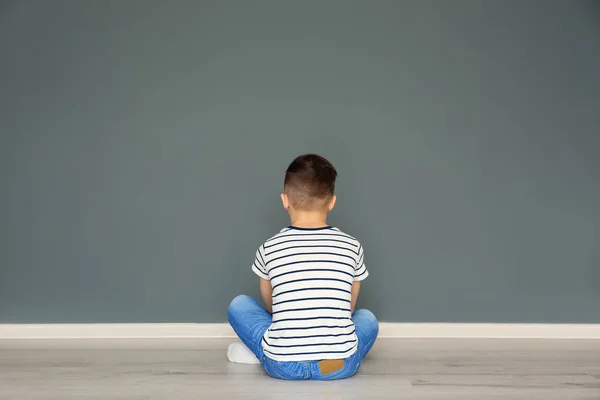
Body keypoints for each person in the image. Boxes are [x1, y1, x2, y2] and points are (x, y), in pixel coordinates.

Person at [227, 154, 378, 380]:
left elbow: (271, 307)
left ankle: (262, 352)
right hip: (335, 366)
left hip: (284, 365)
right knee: (366, 319)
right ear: (332, 201)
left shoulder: (268, 248)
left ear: (285, 200)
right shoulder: (352, 246)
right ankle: (323, 354)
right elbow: (349, 307)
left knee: (238, 305)